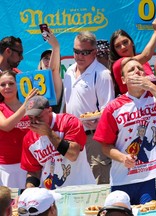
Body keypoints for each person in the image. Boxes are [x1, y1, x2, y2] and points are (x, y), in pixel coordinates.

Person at [93, 58, 156, 205]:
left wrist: (152, 87)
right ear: (124, 79)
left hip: (151, 177)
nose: (137, 71)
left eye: (140, 68)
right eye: (131, 70)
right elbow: (106, 146)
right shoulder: (113, 108)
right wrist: (122, 157)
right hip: (122, 179)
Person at [63, 31, 115, 184]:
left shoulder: (102, 74)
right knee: (73, 182)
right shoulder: (69, 71)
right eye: (76, 51)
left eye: (84, 52)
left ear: (94, 52)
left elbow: (109, 110)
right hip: (72, 138)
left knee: (99, 182)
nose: (79, 56)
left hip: (93, 137)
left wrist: (98, 122)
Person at [20, 95, 95, 189]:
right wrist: (29, 190)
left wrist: (49, 133)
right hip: (51, 194)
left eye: (38, 116)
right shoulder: (29, 139)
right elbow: (33, 171)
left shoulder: (68, 121)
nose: (35, 121)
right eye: (31, 118)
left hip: (80, 188)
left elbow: (73, 155)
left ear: (49, 110)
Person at [0, 70, 38, 188]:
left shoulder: (30, 105)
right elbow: (6, 126)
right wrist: (26, 105)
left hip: (30, 164)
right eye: (3, 84)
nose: (7, 87)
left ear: (18, 85)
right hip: (7, 166)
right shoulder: (1, 107)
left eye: (11, 83)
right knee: (10, 204)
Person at [109, 17, 156, 97]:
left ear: (132, 43)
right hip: (133, 107)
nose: (123, 47)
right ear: (115, 51)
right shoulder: (118, 65)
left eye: (125, 42)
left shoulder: (144, 64)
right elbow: (146, 56)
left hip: (152, 106)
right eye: (118, 46)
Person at [38, 29, 63, 114]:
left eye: (51, 58)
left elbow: (53, 70)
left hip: (53, 126)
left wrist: (55, 46)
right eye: (46, 58)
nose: (48, 61)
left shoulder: (55, 78)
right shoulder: (32, 81)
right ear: (40, 63)